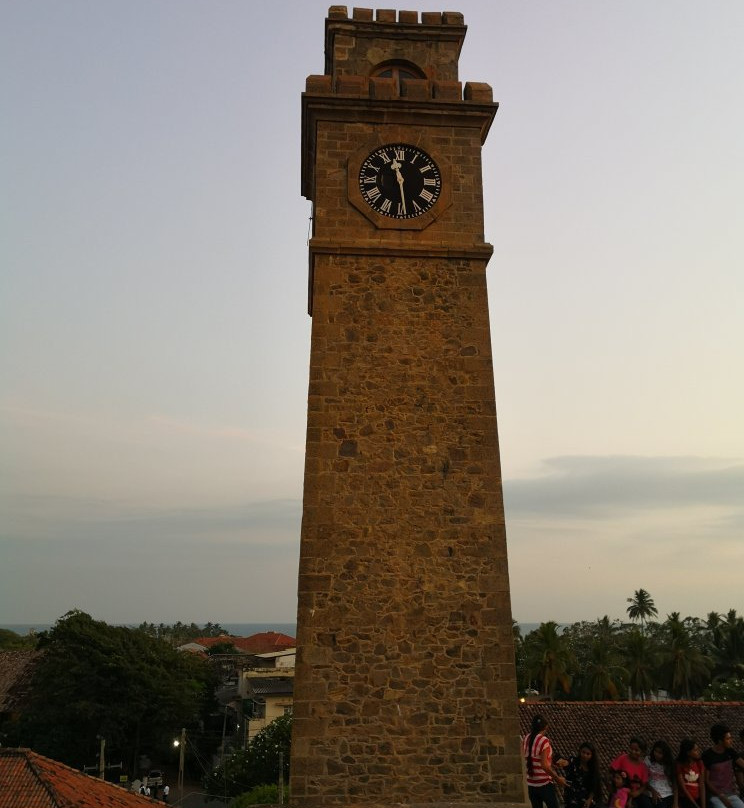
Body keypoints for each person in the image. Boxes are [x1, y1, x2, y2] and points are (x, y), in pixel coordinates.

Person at [522, 713, 567, 808]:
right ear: (546, 727)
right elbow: (544, 766)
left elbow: (534, 759)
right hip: (544, 784)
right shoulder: (544, 740)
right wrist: (558, 779)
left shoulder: (526, 738)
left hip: (531, 784)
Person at [702, 723, 744, 808]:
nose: (731, 740)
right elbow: (707, 780)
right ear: (720, 741)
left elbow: (742, 764)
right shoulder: (707, 756)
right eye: (728, 738)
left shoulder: (730, 752)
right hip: (715, 796)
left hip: (731, 794)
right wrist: (720, 795)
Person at [563, 741, 603, 808]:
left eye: (588, 754)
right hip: (571, 798)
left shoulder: (593, 769)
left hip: (584, 800)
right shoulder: (573, 761)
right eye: (583, 752)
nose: (585, 755)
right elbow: (564, 763)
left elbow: (594, 786)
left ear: (592, 755)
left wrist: (589, 800)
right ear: (580, 751)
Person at [646, 740, 677, 808]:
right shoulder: (648, 760)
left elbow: (674, 783)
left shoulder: (670, 764)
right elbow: (644, 780)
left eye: (660, 753)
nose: (656, 754)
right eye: (655, 751)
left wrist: (676, 803)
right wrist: (653, 791)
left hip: (669, 794)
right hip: (654, 793)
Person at [676, 738, 705, 808]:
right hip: (685, 798)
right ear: (688, 752)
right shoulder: (679, 764)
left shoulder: (699, 763)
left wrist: (703, 806)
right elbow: (683, 788)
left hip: (698, 797)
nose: (698, 752)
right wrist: (696, 805)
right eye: (695, 750)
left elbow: (702, 785)